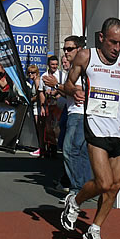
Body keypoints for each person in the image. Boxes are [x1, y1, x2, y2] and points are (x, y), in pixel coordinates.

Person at [60, 18, 120, 239]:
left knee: (115, 185)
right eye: (113, 42)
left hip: (119, 130)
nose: (116, 48)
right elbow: (67, 84)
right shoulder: (86, 57)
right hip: (95, 127)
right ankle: (75, 201)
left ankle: (94, 229)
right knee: (104, 182)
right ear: (101, 38)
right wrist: (75, 90)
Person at [44, 35, 92, 197]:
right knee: (80, 152)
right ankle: (83, 188)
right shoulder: (75, 67)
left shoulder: (80, 67)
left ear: (79, 49)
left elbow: (77, 92)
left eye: (69, 48)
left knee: (70, 151)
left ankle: (77, 189)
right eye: (64, 49)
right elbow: (73, 92)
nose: (66, 52)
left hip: (79, 114)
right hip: (75, 112)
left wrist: (56, 85)